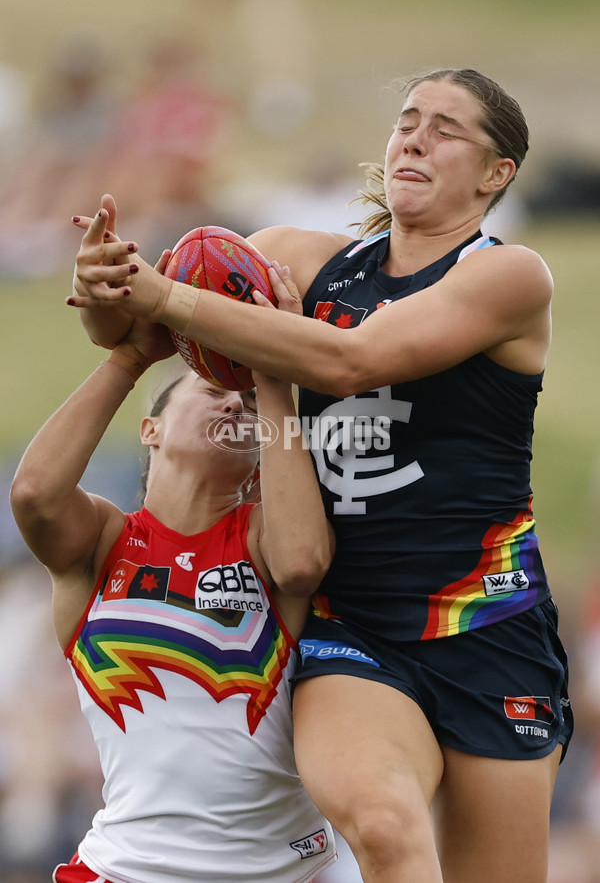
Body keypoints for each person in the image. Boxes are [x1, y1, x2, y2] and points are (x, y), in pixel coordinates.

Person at [68, 67, 573, 883]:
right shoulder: (301, 261)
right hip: (355, 627)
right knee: (383, 824)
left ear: (496, 173)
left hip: (490, 626)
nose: (415, 138)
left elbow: (352, 360)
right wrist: (103, 292)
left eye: (446, 129)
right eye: (407, 120)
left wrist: (160, 297)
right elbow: (141, 329)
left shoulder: (508, 276)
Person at [9, 279, 338, 882]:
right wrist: (129, 358)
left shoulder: (264, 540)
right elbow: (34, 495)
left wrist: (272, 374)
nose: (235, 405)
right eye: (214, 389)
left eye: (248, 403)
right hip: (121, 870)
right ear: (151, 429)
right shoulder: (102, 541)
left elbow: (301, 565)